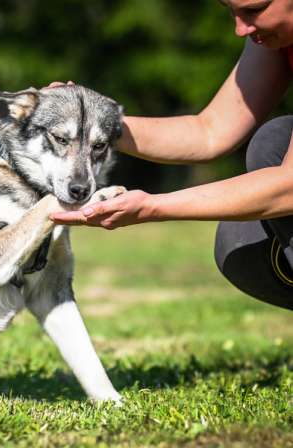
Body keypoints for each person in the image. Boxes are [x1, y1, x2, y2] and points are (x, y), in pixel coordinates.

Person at [50, 0, 293, 310]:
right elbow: (210, 132)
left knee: (271, 144)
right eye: (231, 11)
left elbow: (289, 186)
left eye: (253, 10)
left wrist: (152, 206)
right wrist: (96, 125)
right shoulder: (275, 37)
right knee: (240, 243)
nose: (240, 29)